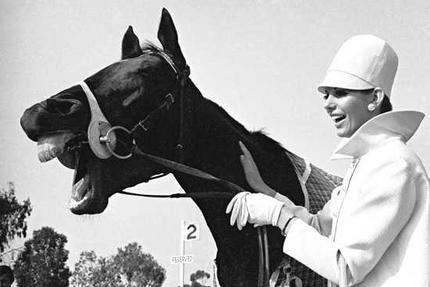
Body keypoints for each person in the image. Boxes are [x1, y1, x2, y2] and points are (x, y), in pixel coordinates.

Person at [226, 34, 429, 286]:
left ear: (374, 99)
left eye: (340, 93)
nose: (328, 104)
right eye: (326, 95)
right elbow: (318, 227)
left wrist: (277, 215)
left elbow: (345, 268)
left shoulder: (393, 164)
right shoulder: (367, 162)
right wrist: (267, 193)